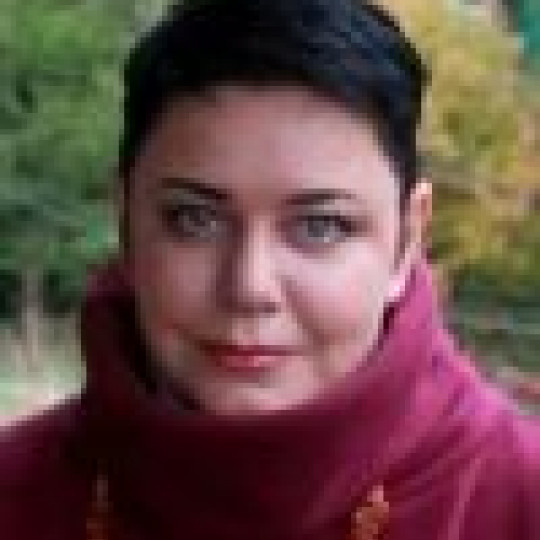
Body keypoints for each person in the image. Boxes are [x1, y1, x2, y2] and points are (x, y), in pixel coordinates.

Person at [1, 1, 538, 539]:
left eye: (320, 227)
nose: (249, 287)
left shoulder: (517, 497)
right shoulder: (17, 491)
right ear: (125, 221)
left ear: (407, 238)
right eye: (195, 219)